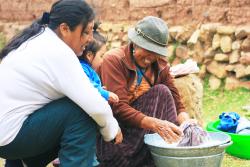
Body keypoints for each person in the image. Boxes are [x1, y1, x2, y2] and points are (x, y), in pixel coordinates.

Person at [0, 0, 122, 167]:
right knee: (82, 112)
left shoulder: (39, 39)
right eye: (86, 32)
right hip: (10, 138)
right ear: (64, 29)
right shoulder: (58, 52)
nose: (90, 39)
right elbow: (95, 105)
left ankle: (20, 163)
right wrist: (113, 130)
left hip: (7, 134)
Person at [96, 16, 197, 167]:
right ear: (135, 43)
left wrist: (187, 124)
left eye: (155, 52)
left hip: (140, 132)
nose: (151, 57)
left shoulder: (160, 65)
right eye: (147, 50)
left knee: (162, 92)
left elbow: (176, 101)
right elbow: (118, 107)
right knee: (159, 93)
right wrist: (155, 124)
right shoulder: (115, 60)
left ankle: (170, 151)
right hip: (115, 136)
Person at [52, 22, 120, 167]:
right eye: (101, 55)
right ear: (89, 55)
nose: (103, 61)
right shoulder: (81, 69)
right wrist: (104, 93)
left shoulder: (87, 69)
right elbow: (88, 88)